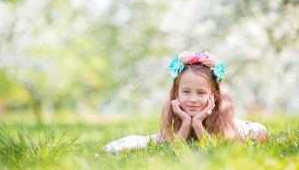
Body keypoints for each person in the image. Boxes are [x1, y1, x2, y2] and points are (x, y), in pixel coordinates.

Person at [102, 51, 267, 154]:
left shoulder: (222, 121)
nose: (193, 99)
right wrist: (186, 122)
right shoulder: (175, 114)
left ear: (214, 96)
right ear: (176, 93)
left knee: (258, 131)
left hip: (235, 131)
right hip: (179, 128)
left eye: (201, 93)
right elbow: (176, 147)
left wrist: (198, 125)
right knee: (147, 141)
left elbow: (213, 150)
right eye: (186, 92)